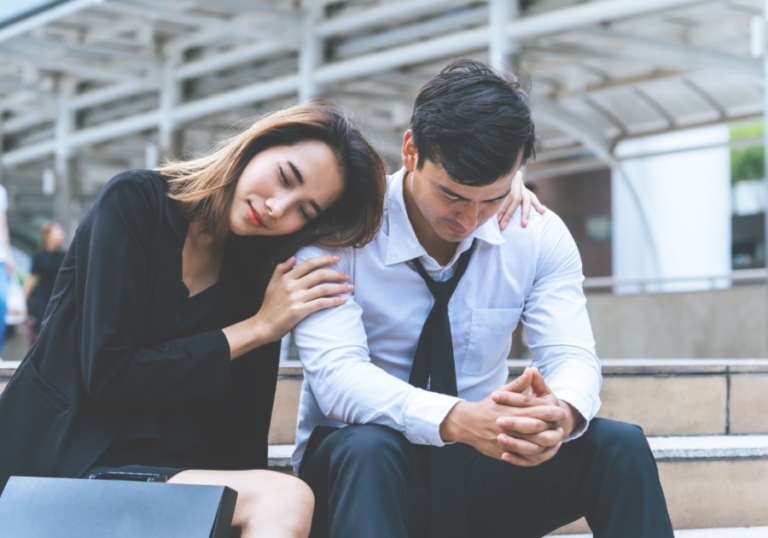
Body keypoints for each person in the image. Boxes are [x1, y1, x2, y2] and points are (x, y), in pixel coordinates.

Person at [0, 103, 538, 537]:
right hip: (56, 466)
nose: (279, 207)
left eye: (305, 209)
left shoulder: (261, 272)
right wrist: (257, 328)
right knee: (283, 495)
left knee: (281, 497)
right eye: (285, 177)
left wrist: (490, 192)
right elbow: (108, 375)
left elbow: (239, 433)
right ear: (258, 144)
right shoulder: (136, 202)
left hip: (158, 483)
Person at [291, 61, 674, 538]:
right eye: (452, 194)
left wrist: (561, 413)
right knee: (371, 448)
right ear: (411, 151)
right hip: (359, 477)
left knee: (618, 445)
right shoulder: (341, 235)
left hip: (477, 465)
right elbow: (337, 378)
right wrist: (454, 418)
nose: (470, 219)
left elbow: (572, 355)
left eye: (490, 199)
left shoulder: (535, 235)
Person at [24, 221, 67, 344]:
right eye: (58, 232)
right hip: (43, 299)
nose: (62, 235)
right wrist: (22, 304)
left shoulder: (66, 255)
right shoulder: (39, 256)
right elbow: (31, 280)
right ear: (47, 235)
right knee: (43, 331)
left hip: (60, 298)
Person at [0, 183, 16, 357]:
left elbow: (2, 225)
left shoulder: (1, 191)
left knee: (2, 304)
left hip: (0, 258)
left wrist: (9, 254)